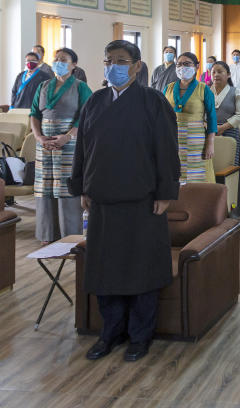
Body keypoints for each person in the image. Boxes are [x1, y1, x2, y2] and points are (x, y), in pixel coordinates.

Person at [70, 40, 179, 362]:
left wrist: (165, 192)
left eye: (120, 61)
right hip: (103, 200)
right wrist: (82, 187)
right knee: (106, 271)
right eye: (108, 61)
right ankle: (110, 333)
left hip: (142, 201)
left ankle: (139, 336)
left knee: (140, 270)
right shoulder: (95, 101)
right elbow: (82, 150)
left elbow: (166, 150)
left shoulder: (153, 101)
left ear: (136, 66)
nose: (112, 67)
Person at [30, 47, 93, 243]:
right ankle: (47, 235)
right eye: (56, 58)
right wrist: (39, 137)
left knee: (66, 188)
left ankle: (70, 235)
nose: (58, 62)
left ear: (74, 64)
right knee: (45, 188)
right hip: (44, 145)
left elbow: (85, 116)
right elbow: (34, 114)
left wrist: (67, 137)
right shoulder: (44, 85)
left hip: (70, 144)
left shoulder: (81, 87)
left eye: (63, 59)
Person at [164, 52, 216, 183]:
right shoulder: (168, 88)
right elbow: (161, 114)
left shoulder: (203, 89)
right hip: (172, 138)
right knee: (174, 174)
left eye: (187, 64)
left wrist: (210, 143)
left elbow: (211, 117)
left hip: (196, 140)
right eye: (179, 64)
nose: (182, 67)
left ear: (196, 67)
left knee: (197, 177)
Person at [211, 61, 240, 212]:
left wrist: (222, 127)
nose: (216, 75)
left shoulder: (236, 92)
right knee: (213, 166)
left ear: (228, 75)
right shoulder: (206, 91)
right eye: (213, 72)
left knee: (232, 168)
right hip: (210, 134)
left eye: (220, 72)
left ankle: (233, 205)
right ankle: (214, 206)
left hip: (230, 132)